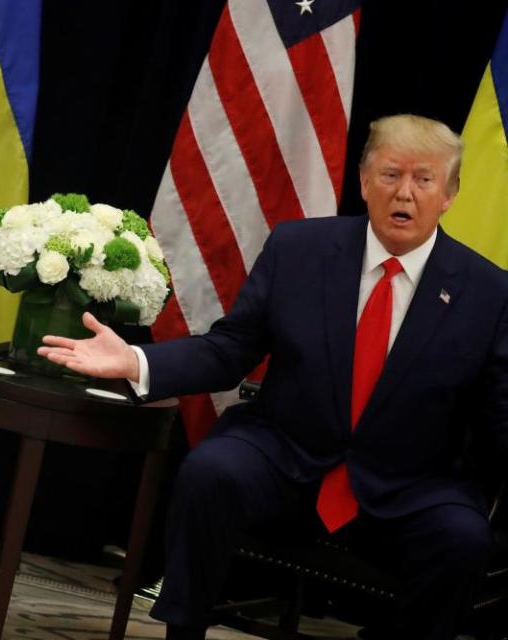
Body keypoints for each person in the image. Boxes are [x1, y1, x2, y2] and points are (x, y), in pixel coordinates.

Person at [39, 114, 508, 639]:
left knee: (465, 538)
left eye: (424, 179)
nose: (405, 193)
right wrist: (138, 362)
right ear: (364, 181)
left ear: (449, 194)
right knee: (211, 471)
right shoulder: (299, 249)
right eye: (390, 174)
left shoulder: (488, 293)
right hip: (288, 453)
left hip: (409, 483)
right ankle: (183, 629)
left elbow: (497, 414)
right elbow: (230, 348)